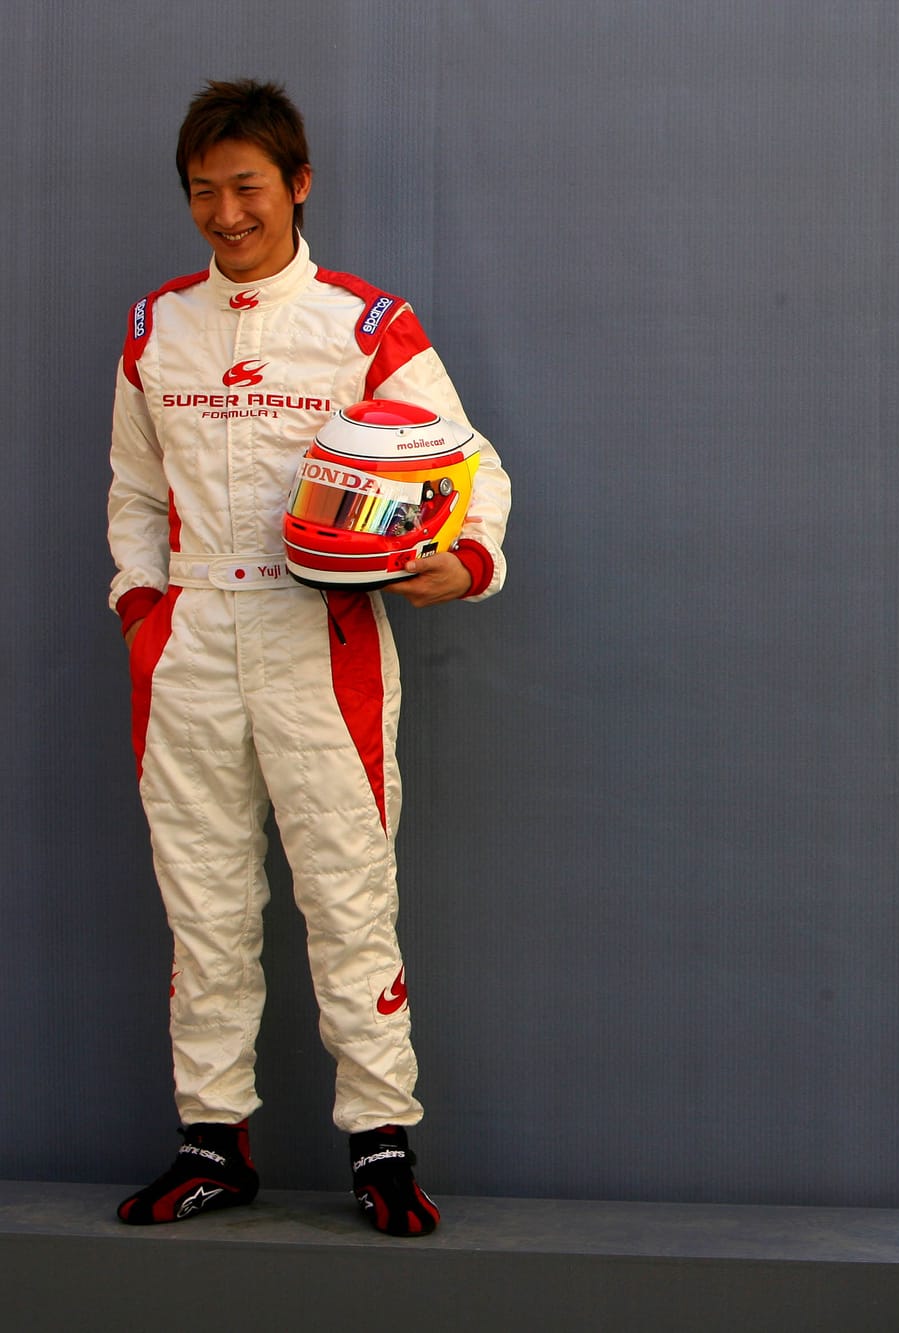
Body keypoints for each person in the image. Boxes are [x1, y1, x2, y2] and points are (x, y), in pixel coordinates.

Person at [106, 79, 511, 1237]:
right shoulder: (155, 328)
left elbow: (471, 466)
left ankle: (381, 1143)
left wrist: (465, 559)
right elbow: (134, 495)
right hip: (188, 646)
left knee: (347, 894)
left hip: (319, 643)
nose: (225, 213)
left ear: (297, 184)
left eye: (246, 186)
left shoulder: (366, 324)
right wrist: (142, 609)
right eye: (203, 191)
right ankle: (211, 1141)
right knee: (203, 902)